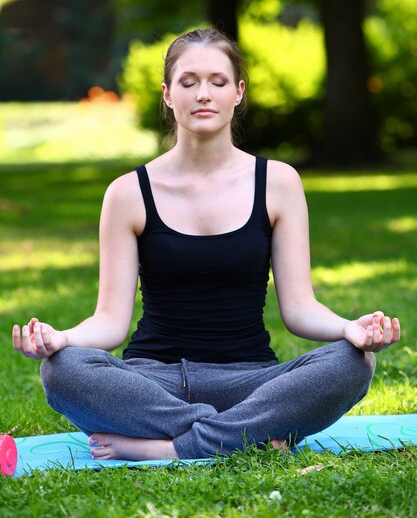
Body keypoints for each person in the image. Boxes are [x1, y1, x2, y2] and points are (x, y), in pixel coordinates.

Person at [12, 28, 401, 462]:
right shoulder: (127, 193)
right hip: (151, 383)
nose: (203, 94)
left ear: (238, 93)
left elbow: (299, 309)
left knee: (353, 363)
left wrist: (349, 329)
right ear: (167, 94)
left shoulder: (278, 183)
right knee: (63, 370)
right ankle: (247, 433)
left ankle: (171, 448)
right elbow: (110, 322)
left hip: (250, 380)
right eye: (188, 81)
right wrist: (60, 338)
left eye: (217, 82)